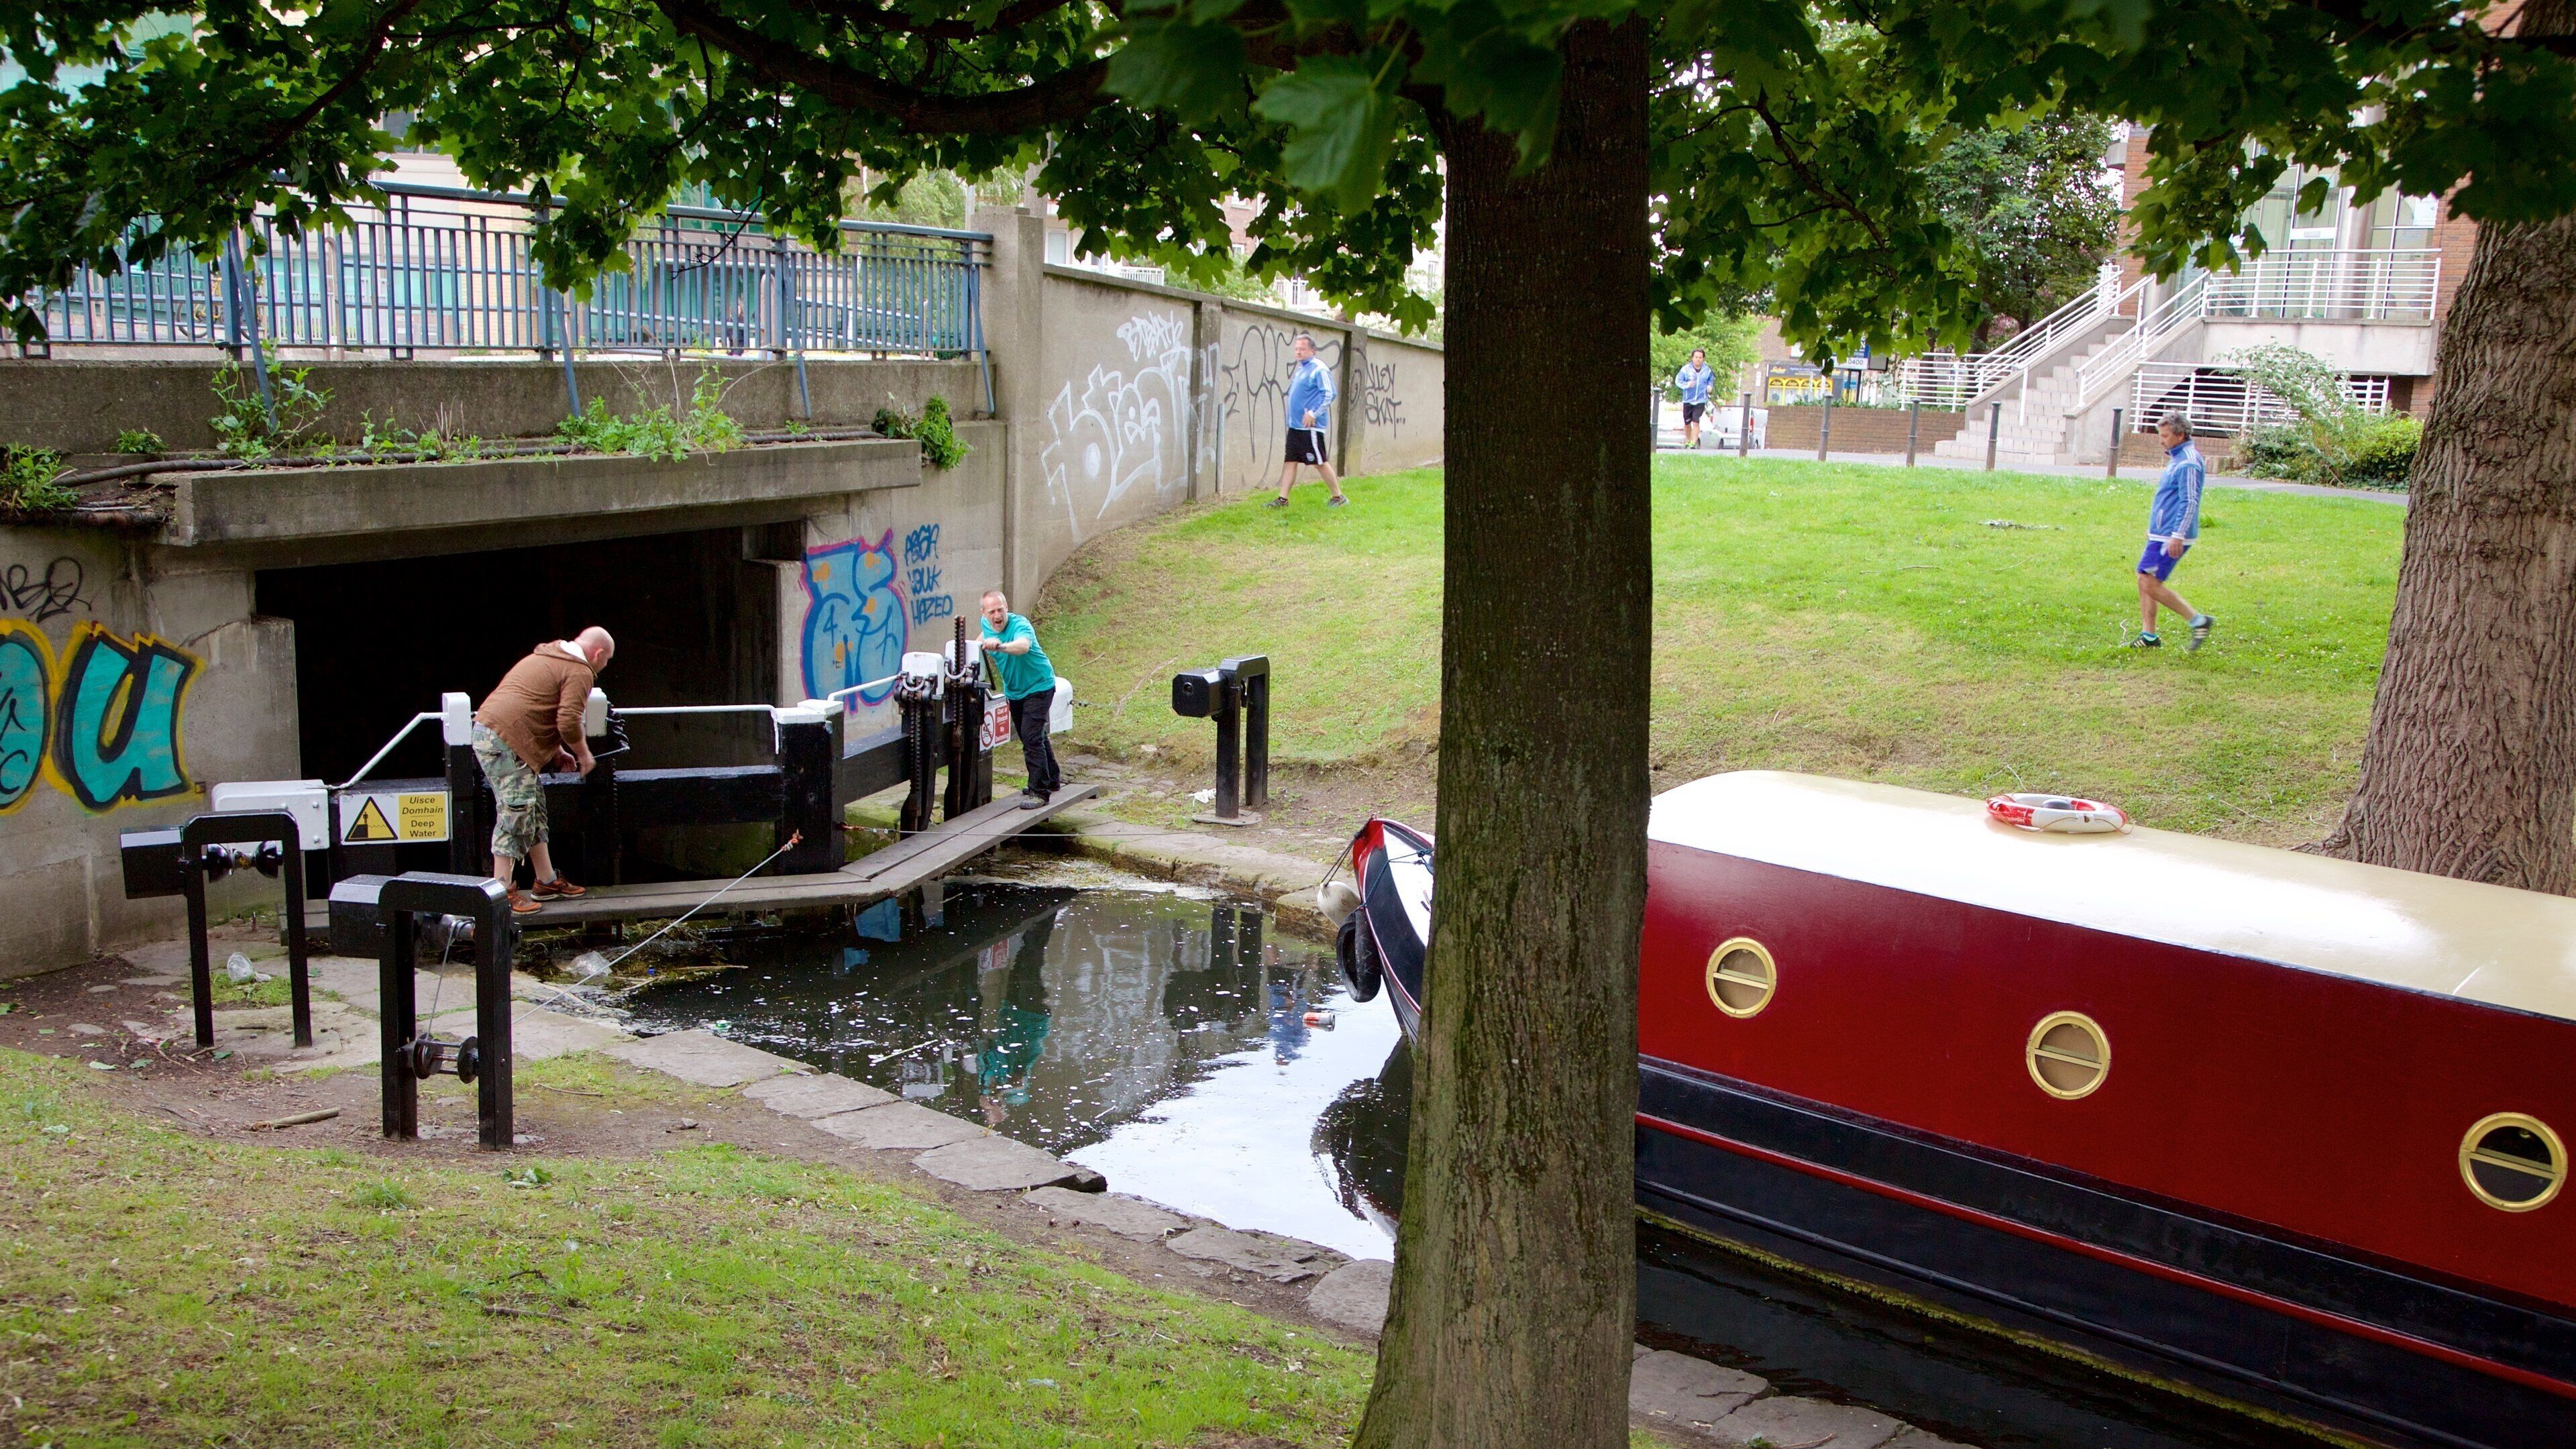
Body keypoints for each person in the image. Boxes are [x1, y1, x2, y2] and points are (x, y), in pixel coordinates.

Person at [472, 627, 613, 913]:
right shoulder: (580, 670)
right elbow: (568, 720)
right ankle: (500, 894)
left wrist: (557, 751)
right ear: (598, 654)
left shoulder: (549, 655)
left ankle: (546, 881)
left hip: (495, 733)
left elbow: (534, 706)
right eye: (607, 660)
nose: (604, 666)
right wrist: (584, 754)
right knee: (517, 812)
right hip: (507, 741)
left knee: (532, 808)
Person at [2131, 414, 2216, 651]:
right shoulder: (2178, 457)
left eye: (2166, 436)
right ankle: (2149, 636)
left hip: (2172, 534)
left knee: (2148, 582)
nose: (2161, 441)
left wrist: (2177, 535)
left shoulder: (2188, 461)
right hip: (2161, 533)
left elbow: (2189, 502)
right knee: (2144, 578)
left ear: (2181, 435)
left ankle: (2199, 621)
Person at [978, 590, 1062, 807]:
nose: (997, 616)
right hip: (1015, 691)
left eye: (1000, 610)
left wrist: (1000, 646)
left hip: (1040, 686)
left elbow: (1023, 646)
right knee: (1033, 736)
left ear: (1007, 609)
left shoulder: (1020, 625)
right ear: (984, 613)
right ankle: (1051, 779)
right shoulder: (986, 625)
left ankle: (1039, 793)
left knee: (1031, 737)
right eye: (992, 612)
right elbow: (978, 642)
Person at [1269, 333, 1348, 508]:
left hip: (1310, 428)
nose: (1298, 352)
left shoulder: (1319, 369)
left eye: (1302, 349)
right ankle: (1283, 500)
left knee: (1319, 462)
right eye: (1296, 349)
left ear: (1312, 350)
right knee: (1290, 461)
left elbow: (1329, 393)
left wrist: (1313, 413)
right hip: (1296, 427)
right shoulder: (1301, 369)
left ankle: (1339, 497)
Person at [1674, 347, 1715, 449]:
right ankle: (1688, 441)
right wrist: (1687, 385)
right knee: (1687, 422)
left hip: (1701, 400)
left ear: (1703, 359)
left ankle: (1693, 443)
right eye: (1696, 357)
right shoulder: (1685, 370)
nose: (1698, 359)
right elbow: (1678, 381)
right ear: (1692, 358)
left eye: (1700, 357)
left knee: (1696, 421)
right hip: (1688, 399)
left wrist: (1710, 386)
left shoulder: (1707, 370)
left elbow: (1711, 380)